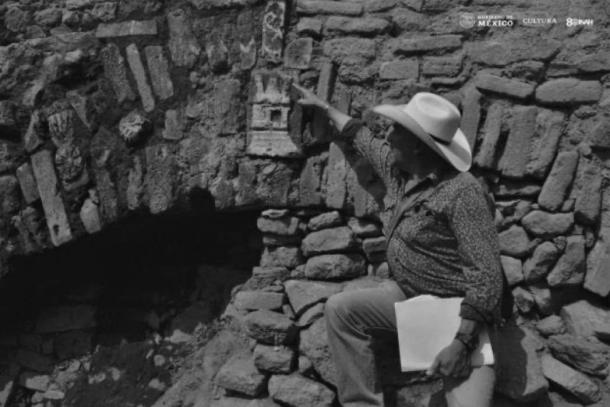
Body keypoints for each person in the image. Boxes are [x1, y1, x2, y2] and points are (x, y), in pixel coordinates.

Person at [293, 84, 505, 407]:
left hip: (458, 316)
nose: (388, 135)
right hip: (408, 294)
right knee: (341, 310)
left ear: (419, 147)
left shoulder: (463, 193)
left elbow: (488, 277)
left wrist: (462, 343)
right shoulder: (399, 173)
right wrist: (324, 107)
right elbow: (358, 134)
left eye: (397, 130)